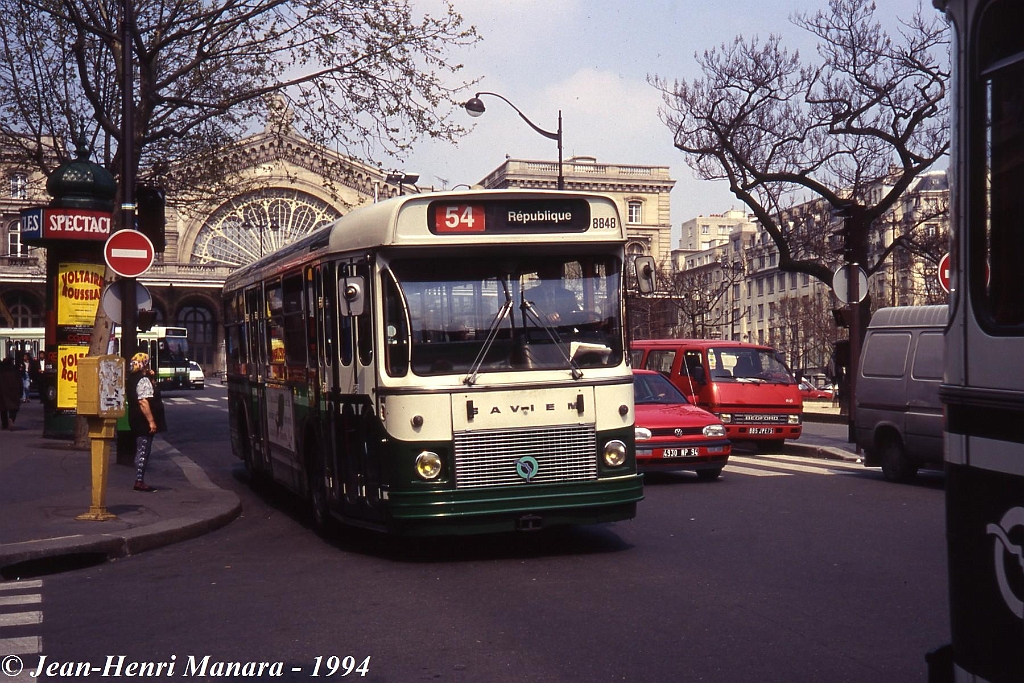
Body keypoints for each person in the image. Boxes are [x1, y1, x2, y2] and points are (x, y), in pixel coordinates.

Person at [126, 352, 167, 492]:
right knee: (143, 449)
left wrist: (152, 378)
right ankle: (139, 481)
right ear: (144, 364)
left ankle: (139, 479)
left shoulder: (132, 378)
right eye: (147, 363)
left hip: (134, 417)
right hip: (142, 420)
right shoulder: (142, 380)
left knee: (141, 448)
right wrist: (151, 422)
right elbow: (143, 401)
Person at [1, 358, 21, 430]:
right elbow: (20, 382)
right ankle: (11, 419)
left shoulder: (1, 371)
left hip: (2, 391)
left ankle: (5, 424)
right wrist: (20, 392)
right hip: (13, 391)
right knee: (14, 407)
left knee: (3, 409)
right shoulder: (15, 371)